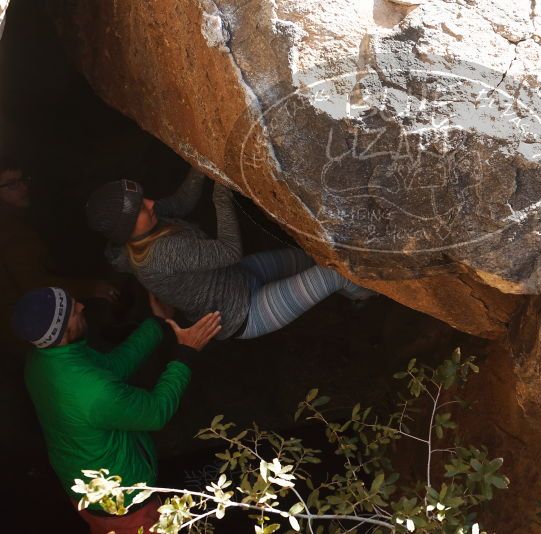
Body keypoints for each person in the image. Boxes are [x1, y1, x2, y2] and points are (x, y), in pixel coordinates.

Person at [12, 286, 221, 534]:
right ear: (65, 332)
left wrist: (156, 323)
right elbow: (155, 412)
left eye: (74, 300)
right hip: (126, 508)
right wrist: (186, 353)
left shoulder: (42, 360)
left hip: (85, 493)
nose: (82, 306)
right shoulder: (93, 392)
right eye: (73, 311)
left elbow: (113, 367)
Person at [85, 169, 374, 341]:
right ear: (127, 230)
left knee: (311, 257)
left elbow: (182, 203)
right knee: (332, 273)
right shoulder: (159, 254)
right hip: (245, 313)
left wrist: (202, 165)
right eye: (139, 208)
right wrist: (222, 195)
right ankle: (370, 295)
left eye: (142, 198)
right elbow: (229, 251)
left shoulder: (143, 229)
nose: (150, 203)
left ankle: (353, 293)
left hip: (240, 278)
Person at [0, 160, 119, 352]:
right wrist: (91, 288)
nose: (23, 187)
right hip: (31, 329)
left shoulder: (17, 219)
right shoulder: (12, 235)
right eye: (12, 184)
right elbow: (33, 285)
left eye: (23, 180)